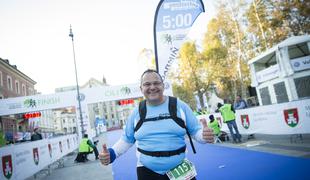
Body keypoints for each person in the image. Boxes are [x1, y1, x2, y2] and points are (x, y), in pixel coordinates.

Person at [99, 69, 214, 180]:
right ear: (141, 88)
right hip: (147, 171)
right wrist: (111, 154)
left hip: (180, 169)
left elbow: (196, 132)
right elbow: (126, 140)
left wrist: (204, 136)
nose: (152, 87)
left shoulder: (180, 106)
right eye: (147, 84)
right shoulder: (136, 112)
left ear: (163, 86)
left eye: (156, 83)